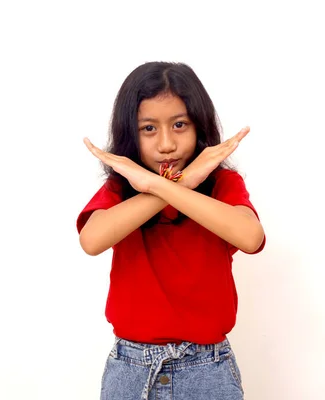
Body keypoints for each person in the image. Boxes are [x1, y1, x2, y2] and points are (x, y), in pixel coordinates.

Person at [76, 61, 266, 400]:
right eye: (149, 128)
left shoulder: (222, 184)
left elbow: (250, 237)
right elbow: (91, 240)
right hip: (130, 368)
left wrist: (171, 185)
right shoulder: (122, 189)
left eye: (179, 125)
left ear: (199, 125)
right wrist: (171, 184)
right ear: (129, 133)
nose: (166, 144)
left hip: (208, 369)